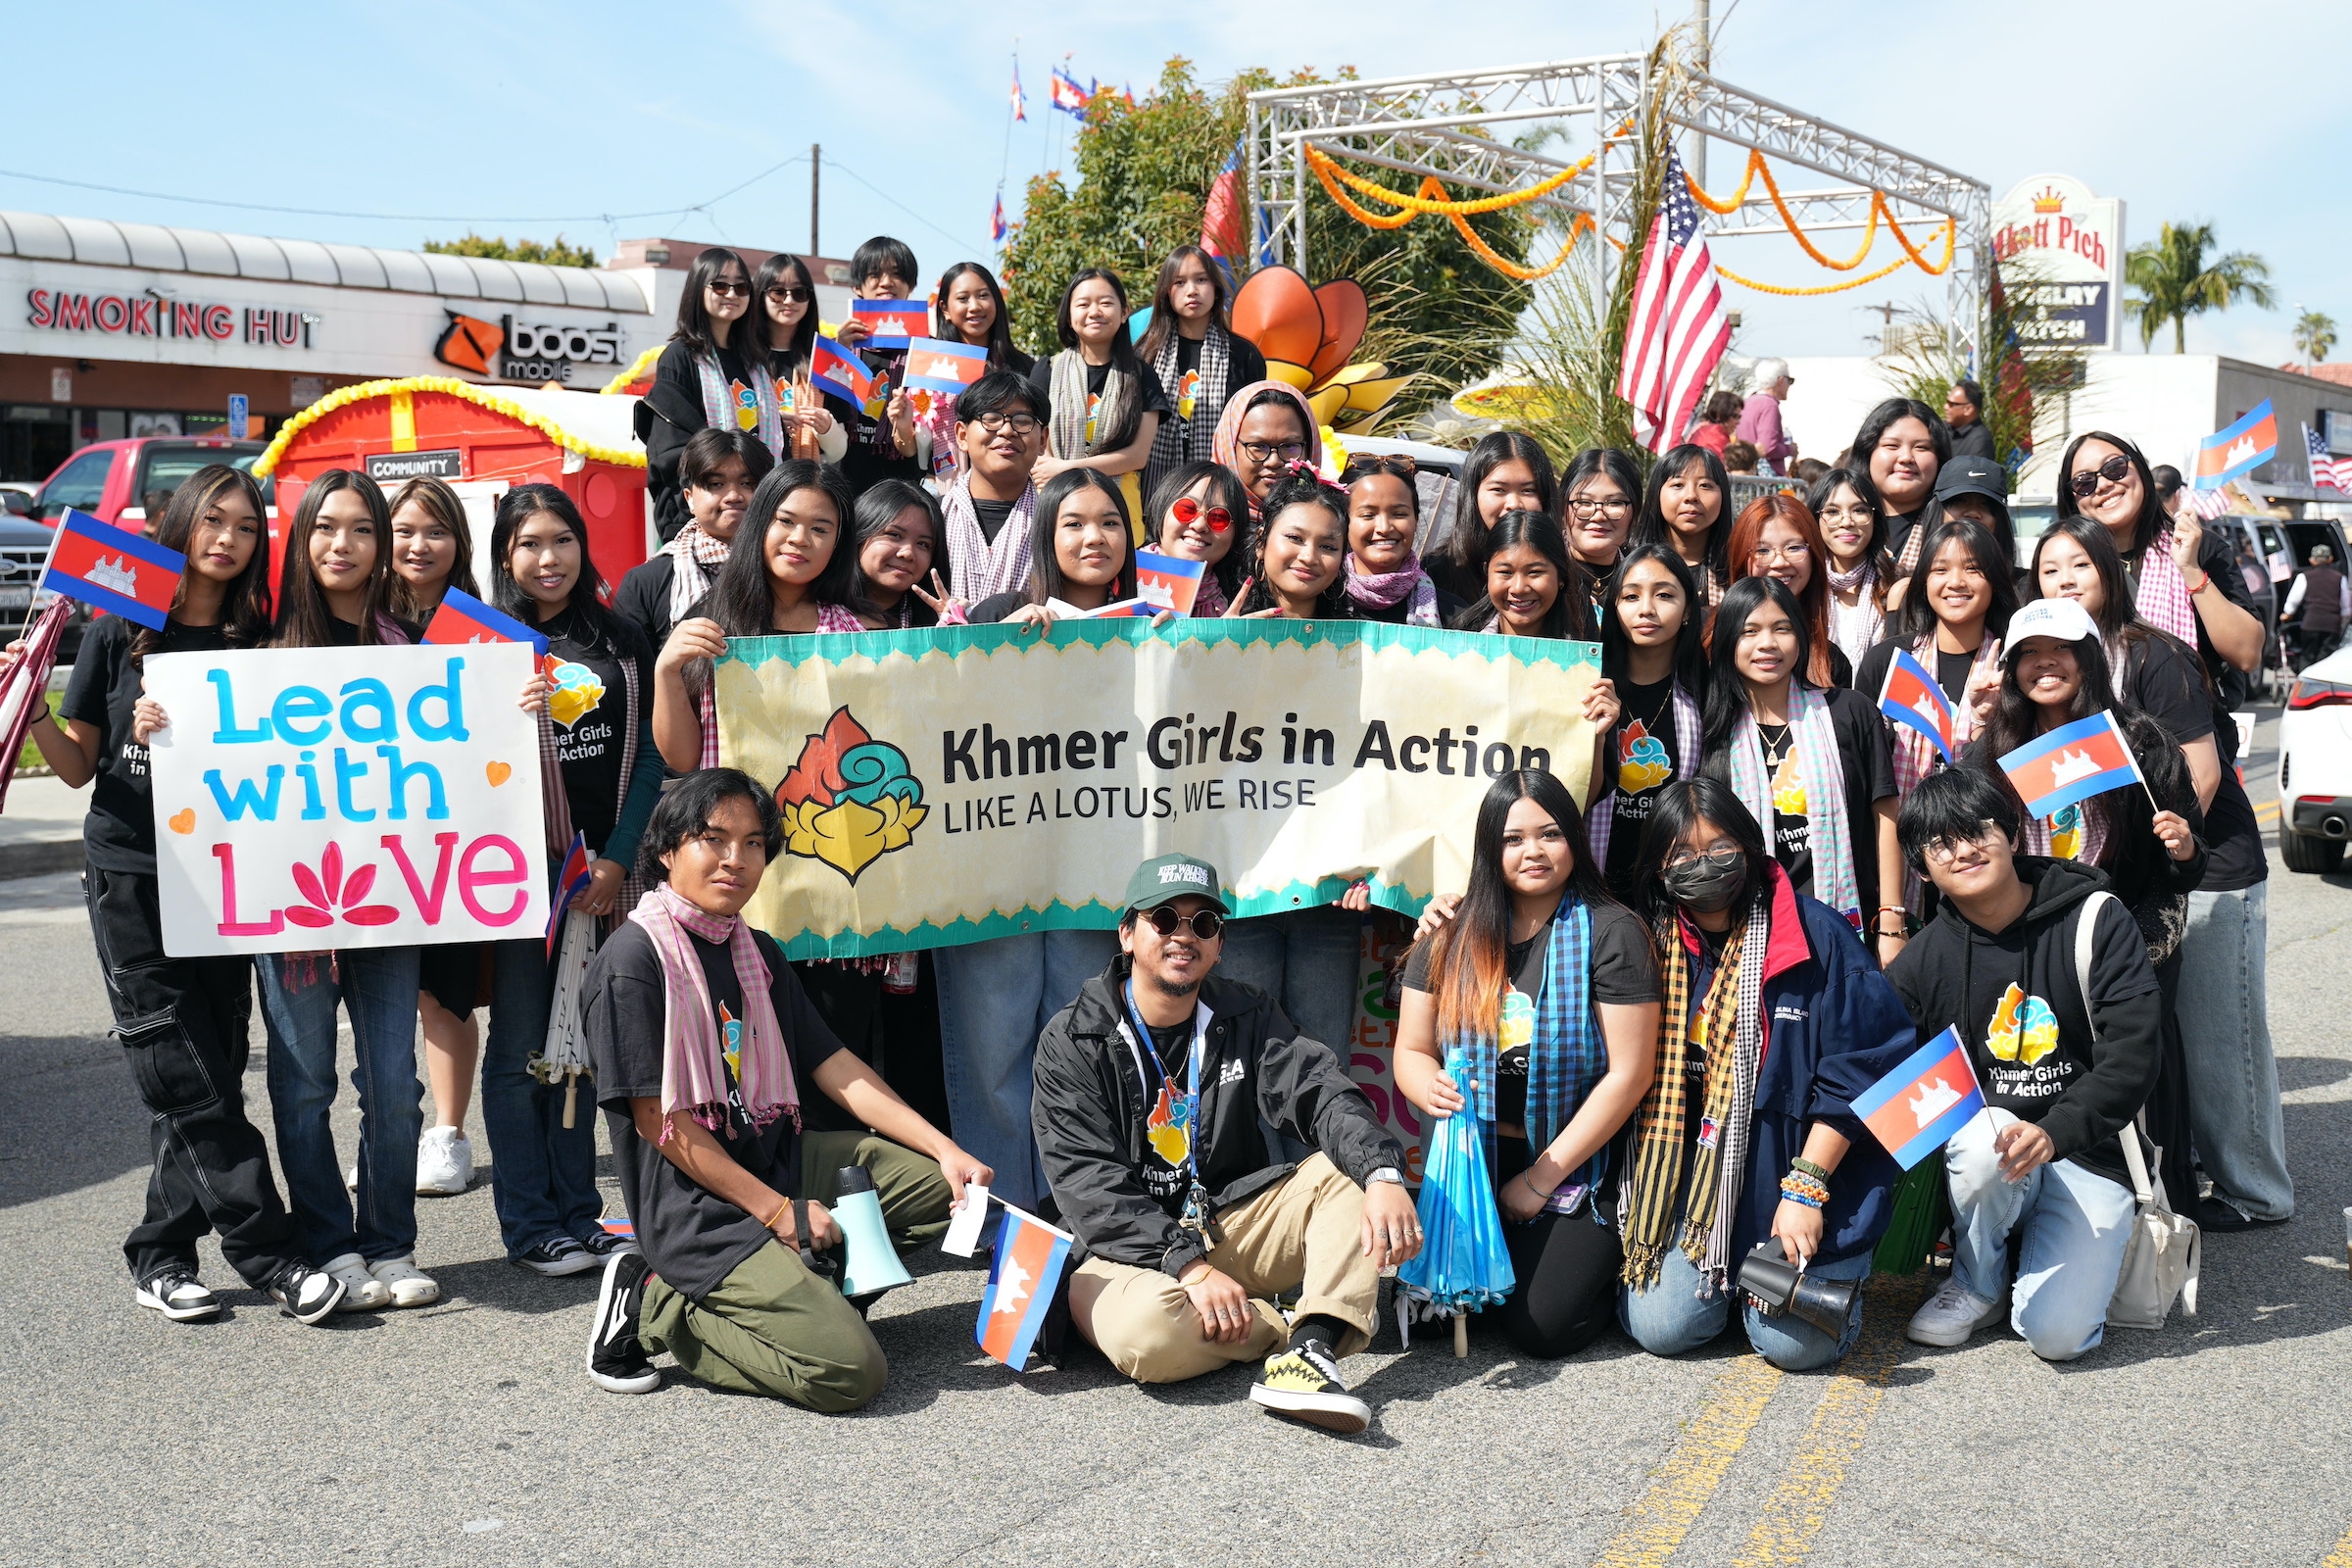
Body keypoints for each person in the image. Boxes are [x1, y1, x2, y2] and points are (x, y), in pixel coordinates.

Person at [5, 466, 345, 1325]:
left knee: (210, 1062)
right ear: (180, 523)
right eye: (213, 520)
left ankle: (160, 1253)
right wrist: (38, 703)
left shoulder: (258, 640)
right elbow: (80, 767)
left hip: (230, 878)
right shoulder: (120, 629)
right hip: (131, 871)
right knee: (175, 1060)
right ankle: (269, 1251)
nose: (226, 538)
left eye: (244, 526)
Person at [578, 769, 985, 1407]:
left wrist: (945, 1149)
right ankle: (656, 1303)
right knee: (851, 1374)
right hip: (697, 1210)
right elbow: (668, 1131)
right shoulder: (632, 963)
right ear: (666, 849)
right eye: (713, 840)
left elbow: (837, 1067)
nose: (735, 860)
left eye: (753, 844)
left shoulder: (755, 952)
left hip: (777, 1160)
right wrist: (777, 1213)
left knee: (938, 1191)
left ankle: (809, 1297)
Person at [1031, 853, 1421, 1432]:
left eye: (1203, 924)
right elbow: (1089, 1188)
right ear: (1128, 934)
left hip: (1222, 1222)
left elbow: (1319, 1091)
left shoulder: (1245, 1011)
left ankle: (1311, 1349)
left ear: (1220, 944)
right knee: (1148, 1336)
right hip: (1121, 1252)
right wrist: (1185, 1267)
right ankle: (1277, 1323)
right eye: (1165, 920)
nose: (1183, 936)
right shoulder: (1073, 1039)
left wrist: (1383, 1175)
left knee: (1348, 1172)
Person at [259, 470, 525, 1312]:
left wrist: (518, 708)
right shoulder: (261, 655)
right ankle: (328, 1246)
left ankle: (389, 1242)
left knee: (390, 1080)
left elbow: (462, 761)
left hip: (392, 895)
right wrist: (165, 726)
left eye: (361, 530)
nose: (344, 544)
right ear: (303, 542)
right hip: (288, 902)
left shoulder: (410, 652)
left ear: (379, 547)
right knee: (303, 1082)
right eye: (326, 528)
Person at [2027, 514, 2282, 1230]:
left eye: (2080, 565)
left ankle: (2251, 1193)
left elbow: (2199, 770)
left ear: (2111, 571)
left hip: (2174, 875)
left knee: (2206, 1037)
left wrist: (2163, 861)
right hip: (2090, 889)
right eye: (2050, 570)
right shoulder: (2041, 658)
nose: (2066, 580)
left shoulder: (2151, 654)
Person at [1616, 779, 1917, 1370]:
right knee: (1666, 1329)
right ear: (1657, 870)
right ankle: (1723, 1282)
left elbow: (1866, 1071)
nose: (1703, 866)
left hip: (1807, 1176)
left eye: (1720, 847)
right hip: (1696, 1180)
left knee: (1793, 1347)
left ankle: (1787, 1284)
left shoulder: (1816, 935)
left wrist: (1806, 1189)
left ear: (1752, 846)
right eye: (1681, 855)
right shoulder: (1648, 943)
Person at [1886, 767, 2163, 1359]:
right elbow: (1881, 1072)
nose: (1963, 851)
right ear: (1922, 870)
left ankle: (2038, 1253)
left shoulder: (2095, 918)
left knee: (2058, 1338)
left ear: (2012, 835)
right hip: (1990, 1157)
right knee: (1985, 1137)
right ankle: (1978, 1281)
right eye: (1940, 844)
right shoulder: (1923, 959)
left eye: (1978, 830)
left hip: (2088, 1150)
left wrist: (2054, 1132)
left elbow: (2133, 1057)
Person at [1393, 771, 1661, 1358]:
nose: (1533, 852)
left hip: (1570, 1161)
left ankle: (1598, 1269)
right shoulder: (1450, 932)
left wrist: (1540, 1179)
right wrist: (1428, 1087)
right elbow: (1412, 1052)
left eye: (1550, 835)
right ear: (1491, 848)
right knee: (1432, 1316)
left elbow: (1630, 1074)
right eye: (1513, 839)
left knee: (1540, 1327)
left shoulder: (1612, 931)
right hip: (1471, 1158)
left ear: (1575, 840)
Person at [1966, 596, 2206, 1209]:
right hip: (2030, 942)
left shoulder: (2138, 742)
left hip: (2114, 942)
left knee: (2128, 1080)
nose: (2046, 665)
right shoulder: (1992, 749)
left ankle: (2153, 1214)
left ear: (2090, 661)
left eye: (2062, 652)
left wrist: (2181, 848)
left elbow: (2183, 871)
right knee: (2033, 1073)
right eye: (2030, 655)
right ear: (2013, 668)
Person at [481, 483, 666, 1276]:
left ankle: (580, 1213)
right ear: (505, 556)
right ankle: (530, 1224)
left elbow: (658, 755)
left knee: (587, 1049)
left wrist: (620, 857)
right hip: (519, 883)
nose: (547, 558)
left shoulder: (624, 639)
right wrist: (498, 709)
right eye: (528, 544)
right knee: (524, 1045)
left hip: (607, 877)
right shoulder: (479, 643)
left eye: (561, 540)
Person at [1700, 576, 1902, 965]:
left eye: (1782, 628)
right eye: (1749, 631)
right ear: (1728, 642)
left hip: (1852, 922)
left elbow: (1885, 817)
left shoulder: (1850, 711)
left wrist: (1893, 922)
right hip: (1748, 934)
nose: (1767, 644)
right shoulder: (1711, 732)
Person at [383, 474, 487, 1195]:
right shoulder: (354, 622)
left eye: (436, 531)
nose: (420, 546)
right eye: (405, 531)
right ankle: (389, 1135)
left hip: (459, 839)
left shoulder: (486, 624)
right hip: (371, 842)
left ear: (460, 543)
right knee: (389, 997)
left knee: (445, 995)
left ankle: (448, 1134)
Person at [653, 462, 870, 774]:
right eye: (785, 520)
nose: (800, 539)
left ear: (839, 543)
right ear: (759, 523)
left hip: (827, 815)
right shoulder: (709, 623)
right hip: (735, 817)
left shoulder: (854, 631)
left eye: (820, 528)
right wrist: (666, 670)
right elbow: (683, 760)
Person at [1852, 514, 2020, 915]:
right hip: (1898, 867)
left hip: (1984, 863)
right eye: (1940, 569)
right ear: (1924, 582)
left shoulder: (2014, 666)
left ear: (1994, 581)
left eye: (1973, 569)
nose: (1955, 582)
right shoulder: (1889, 663)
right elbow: (1865, 775)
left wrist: (1985, 724)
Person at [1588, 545, 1708, 897]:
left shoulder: (1708, 694)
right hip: (1595, 882)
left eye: (1665, 595)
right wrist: (1595, 736)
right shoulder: (1589, 685)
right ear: (1614, 608)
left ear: (1687, 610)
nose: (1646, 610)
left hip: (1676, 888)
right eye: (1630, 596)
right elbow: (1578, 797)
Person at [636, 247, 776, 542]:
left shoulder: (756, 363)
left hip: (758, 512)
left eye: (741, 287)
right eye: (721, 285)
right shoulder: (680, 357)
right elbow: (672, 448)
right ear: (698, 290)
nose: (732, 294)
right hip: (701, 516)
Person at [613, 427, 775, 656]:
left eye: (747, 483)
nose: (733, 496)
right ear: (690, 499)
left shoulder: (792, 569)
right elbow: (633, 677)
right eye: (716, 484)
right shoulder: (647, 583)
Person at [1029, 269, 1168, 525]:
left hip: (1119, 508)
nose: (1094, 311)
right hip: (1056, 503)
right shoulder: (1046, 370)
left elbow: (1138, 455)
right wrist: (1054, 467)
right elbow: (1037, 440)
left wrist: (1068, 468)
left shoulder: (1142, 376)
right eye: (1083, 304)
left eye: (1105, 303)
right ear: (1069, 316)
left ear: (1124, 312)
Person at [1138, 244, 1268, 499]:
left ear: (1216, 289)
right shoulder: (1145, 354)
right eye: (1180, 282)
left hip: (1222, 486)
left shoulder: (1243, 355)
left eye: (1201, 280)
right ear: (1166, 292)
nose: (1192, 291)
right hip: (1153, 485)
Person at [966, 467, 1140, 625]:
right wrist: (1001, 637)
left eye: (1109, 523)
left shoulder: (1147, 626)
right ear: (1047, 536)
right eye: (1075, 524)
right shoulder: (1001, 614)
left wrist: (1164, 644)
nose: (1095, 538)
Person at [938, 370, 1051, 603]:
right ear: (962, 435)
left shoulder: (1057, 523)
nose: (1007, 430)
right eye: (991, 418)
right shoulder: (932, 519)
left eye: (1022, 421)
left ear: (1042, 440)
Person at [827, 235, 925, 495]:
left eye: (896, 274)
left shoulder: (925, 350)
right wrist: (839, 354)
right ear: (858, 285)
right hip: (848, 485)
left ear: (911, 284)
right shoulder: (840, 347)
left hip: (905, 486)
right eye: (874, 274)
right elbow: (827, 414)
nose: (885, 282)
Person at [1726, 491, 1848, 688]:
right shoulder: (1708, 644)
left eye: (1794, 548)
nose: (1780, 562)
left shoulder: (1832, 663)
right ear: (1741, 559)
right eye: (1762, 550)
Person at [923, 261, 1031, 480]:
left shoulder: (1024, 367)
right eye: (963, 299)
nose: (974, 306)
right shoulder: (929, 365)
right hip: (941, 486)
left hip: (1010, 487)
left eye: (983, 295)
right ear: (945, 309)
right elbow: (914, 444)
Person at [1425, 431, 1557, 606]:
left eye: (1528, 490)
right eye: (1499, 490)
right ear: (1473, 494)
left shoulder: (1567, 575)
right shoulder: (1434, 574)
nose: (1514, 504)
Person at [1339, 454, 1464, 627]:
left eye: (1399, 514)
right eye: (1368, 515)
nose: (1384, 528)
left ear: (1416, 521)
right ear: (1344, 522)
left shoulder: (1456, 617)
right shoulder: (1320, 603)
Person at [749, 251, 847, 465]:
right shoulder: (745, 357)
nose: (789, 300)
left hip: (806, 484)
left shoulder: (824, 359)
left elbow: (838, 451)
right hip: (755, 481)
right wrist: (771, 425)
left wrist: (827, 429)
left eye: (799, 293)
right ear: (760, 295)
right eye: (778, 292)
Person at [1228, 468, 1348, 620]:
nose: (1309, 557)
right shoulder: (1219, 622)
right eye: (1295, 538)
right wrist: (1224, 639)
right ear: (1261, 543)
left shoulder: (1360, 639)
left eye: (1327, 547)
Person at [1454, 509, 1588, 640]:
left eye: (1535, 572)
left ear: (1561, 576)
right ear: (1487, 572)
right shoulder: (1456, 647)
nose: (1518, 588)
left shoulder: (1583, 655)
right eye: (1505, 572)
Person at [847, 477, 963, 627]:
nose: (908, 553)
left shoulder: (939, 623)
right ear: (859, 535)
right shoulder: (816, 617)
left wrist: (959, 631)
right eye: (894, 535)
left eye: (923, 544)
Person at [1142, 460, 1250, 617]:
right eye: (1187, 509)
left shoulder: (1240, 604)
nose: (1199, 525)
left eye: (1219, 517)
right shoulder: (1121, 577)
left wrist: (1226, 638)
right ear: (1161, 509)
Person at [1630, 443, 1732, 611]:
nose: (1691, 496)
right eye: (1678, 485)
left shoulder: (1738, 568)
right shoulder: (1629, 562)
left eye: (1705, 485)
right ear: (1657, 493)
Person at [1810, 466, 1892, 669]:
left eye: (1859, 510)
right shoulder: (1803, 584)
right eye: (1832, 512)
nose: (1847, 521)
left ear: (1875, 518)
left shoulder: (1896, 585)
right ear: (1815, 519)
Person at [1854, 397, 1948, 575]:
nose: (1906, 457)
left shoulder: (1954, 528)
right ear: (1868, 453)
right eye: (1892, 446)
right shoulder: (1834, 524)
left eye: (1921, 447)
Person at [1212, 381, 1323, 528]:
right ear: (1229, 448)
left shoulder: (1329, 523)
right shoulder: (1201, 524)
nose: (1274, 461)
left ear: (1310, 448)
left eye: (1289, 446)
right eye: (1258, 446)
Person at [1562, 447, 1643, 591]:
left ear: (1635, 513)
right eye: (1584, 502)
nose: (1599, 516)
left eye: (1614, 503)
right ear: (1562, 509)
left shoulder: (1645, 580)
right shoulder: (1545, 576)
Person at [1931, 453, 2020, 576]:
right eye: (1960, 501)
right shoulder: (1911, 590)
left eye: (1986, 504)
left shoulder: (2027, 589)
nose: (1973, 513)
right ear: (1937, 511)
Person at [2283, 542, 2346, 669]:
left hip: (2311, 623)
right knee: (2327, 659)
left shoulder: (2304, 577)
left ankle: (2305, 685)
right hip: (2331, 625)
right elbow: (2346, 607)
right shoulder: (2340, 578)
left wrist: (2287, 614)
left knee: (2307, 656)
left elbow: (2293, 601)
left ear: (2311, 560)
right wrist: (2342, 621)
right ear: (2331, 559)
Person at [1736, 359, 1797, 473]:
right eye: (1790, 380)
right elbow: (1767, 447)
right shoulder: (1769, 405)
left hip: (1748, 470)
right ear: (1780, 380)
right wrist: (1790, 449)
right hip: (1767, 474)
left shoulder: (1749, 401)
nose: (1789, 385)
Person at [1943, 378, 1995, 461]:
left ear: (1968, 409)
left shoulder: (1980, 441)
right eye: (1947, 402)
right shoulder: (1942, 428)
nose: (1945, 407)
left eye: (1951, 404)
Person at [1690, 389, 1742, 458]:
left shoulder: (1705, 429)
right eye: (1735, 416)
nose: (1738, 422)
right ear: (1720, 415)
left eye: (1739, 417)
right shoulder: (1714, 435)